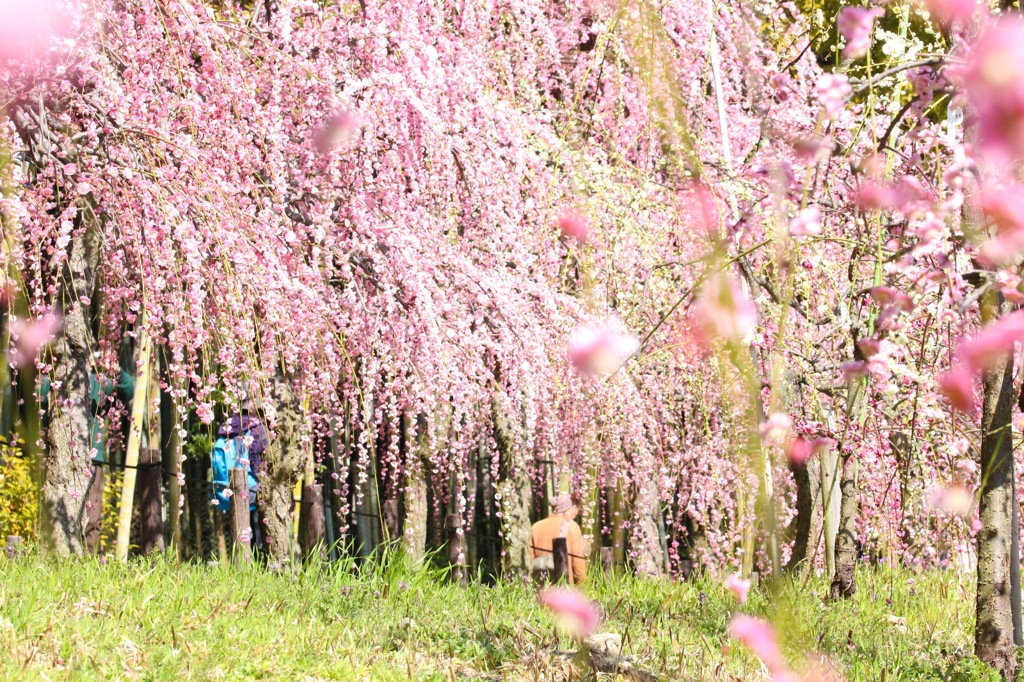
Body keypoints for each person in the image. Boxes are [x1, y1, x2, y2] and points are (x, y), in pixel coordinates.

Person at [530, 494, 587, 584]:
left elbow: (530, 559)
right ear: (570, 508)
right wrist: (583, 587)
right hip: (564, 586)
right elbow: (578, 563)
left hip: (541, 585)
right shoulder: (572, 527)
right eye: (577, 509)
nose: (577, 513)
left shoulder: (535, 527)